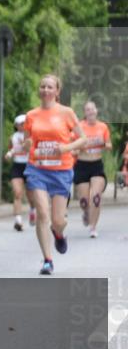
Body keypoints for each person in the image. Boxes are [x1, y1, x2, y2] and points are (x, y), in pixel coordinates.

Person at [23, 74, 86, 275]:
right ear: (39, 90)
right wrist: (27, 146)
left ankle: (58, 234)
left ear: (57, 91)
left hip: (61, 170)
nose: (46, 90)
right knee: (42, 213)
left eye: (50, 87)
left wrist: (65, 148)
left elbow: (82, 139)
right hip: (37, 169)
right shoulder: (31, 115)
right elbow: (27, 142)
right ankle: (48, 260)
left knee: (58, 220)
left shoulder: (67, 113)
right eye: (43, 86)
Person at [73, 101, 112, 238]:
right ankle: (86, 212)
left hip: (96, 165)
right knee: (84, 201)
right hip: (82, 165)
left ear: (96, 111)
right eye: (87, 110)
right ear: (85, 113)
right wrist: (80, 148)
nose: (90, 112)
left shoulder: (102, 127)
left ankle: (93, 227)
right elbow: (72, 149)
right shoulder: (79, 127)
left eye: (92, 109)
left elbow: (109, 145)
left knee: (96, 197)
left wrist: (102, 143)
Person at [4, 115, 35, 231]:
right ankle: (18, 221)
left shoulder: (31, 136)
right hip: (17, 166)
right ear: (16, 125)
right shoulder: (13, 137)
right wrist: (9, 155)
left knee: (31, 195)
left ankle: (33, 210)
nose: (22, 126)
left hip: (29, 166)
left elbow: (32, 149)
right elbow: (11, 149)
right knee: (17, 193)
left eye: (24, 124)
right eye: (20, 124)